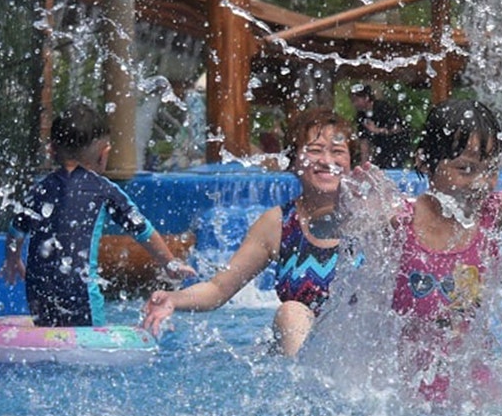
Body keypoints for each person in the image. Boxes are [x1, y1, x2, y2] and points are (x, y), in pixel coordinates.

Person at [338, 98, 502, 407]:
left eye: (490, 169)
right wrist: (352, 208)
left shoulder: (492, 213)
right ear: (425, 161)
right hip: (407, 384)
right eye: (465, 168)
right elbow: (343, 243)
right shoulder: (400, 221)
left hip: (472, 379)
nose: (481, 182)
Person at [141, 107, 358, 356]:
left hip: (362, 351)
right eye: (315, 150)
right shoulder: (277, 224)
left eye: (338, 151)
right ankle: (301, 378)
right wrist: (173, 299)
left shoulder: (375, 216)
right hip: (303, 353)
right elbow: (218, 289)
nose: (327, 161)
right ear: (293, 160)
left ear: (351, 162)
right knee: (291, 313)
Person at [1, 102, 195, 327]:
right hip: (81, 293)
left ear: (51, 150)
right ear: (104, 155)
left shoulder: (38, 189)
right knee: (92, 339)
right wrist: (169, 263)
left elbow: (15, 231)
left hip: (39, 292)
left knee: (50, 334)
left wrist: (13, 259)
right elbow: (142, 229)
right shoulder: (104, 190)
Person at [351, 84, 412, 168]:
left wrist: (377, 130)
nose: (354, 104)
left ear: (366, 98)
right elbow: (364, 142)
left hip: (398, 146)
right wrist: (364, 164)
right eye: (353, 101)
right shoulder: (361, 116)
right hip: (382, 149)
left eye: (356, 100)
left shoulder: (383, 108)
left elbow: (398, 128)